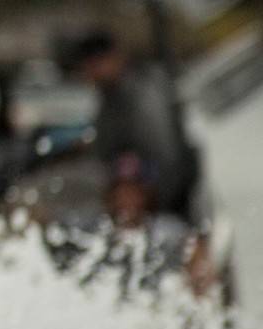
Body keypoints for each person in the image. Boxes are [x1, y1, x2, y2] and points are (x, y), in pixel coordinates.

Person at [68, 29, 199, 220]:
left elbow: (165, 157)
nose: (90, 74)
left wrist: (152, 206)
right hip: (142, 206)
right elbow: (103, 155)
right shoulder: (108, 98)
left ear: (112, 58)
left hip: (169, 204)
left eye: (94, 65)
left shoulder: (142, 93)